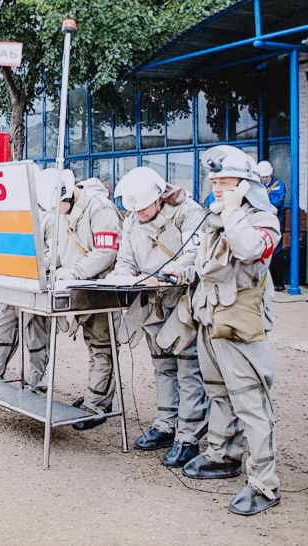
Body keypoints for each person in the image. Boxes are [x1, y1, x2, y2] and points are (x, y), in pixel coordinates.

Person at [164, 145, 281, 516]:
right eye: (214, 181)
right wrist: (184, 271)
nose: (217, 187)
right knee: (217, 392)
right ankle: (222, 454)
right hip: (210, 319)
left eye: (226, 182)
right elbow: (205, 261)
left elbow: (248, 251)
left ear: (245, 185)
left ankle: (264, 484)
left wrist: (232, 210)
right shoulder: (216, 218)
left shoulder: (263, 221)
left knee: (251, 402)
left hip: (240, 324)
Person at [108, 167, 209, 468]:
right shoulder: (131, 220)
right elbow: (125, 258)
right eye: (134, 209)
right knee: (162, 364)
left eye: (143, 207)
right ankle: (166, 423)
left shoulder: (188, 213)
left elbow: (196, 254)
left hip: (184, 298)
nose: (138, 213)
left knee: (189, 366)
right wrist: (122, 277)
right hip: (151, 300)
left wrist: (173, 272)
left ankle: (188, 434)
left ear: (159, 198)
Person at [0, 169, 70, 406]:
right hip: (16, 284)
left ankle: (37, 385)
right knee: (0, 331)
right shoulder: (21, 212)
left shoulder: (53, 218)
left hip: (39, 285)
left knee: (37, 338)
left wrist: (34, 266)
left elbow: (57, 254)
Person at [55, 175, 124, 430]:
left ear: (68, 195)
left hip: (102, 288)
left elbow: (107, 252)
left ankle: (97, 405)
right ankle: (97, 394)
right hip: (84, 286)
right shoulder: (71, 210)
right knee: (92, 344)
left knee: (103, 346)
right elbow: (63, 249)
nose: (55, 211)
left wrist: (75, 271)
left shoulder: (101, 208)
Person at [258, 161, 286, 291]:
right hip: (261, 222)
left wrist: (263, 202)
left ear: (271, 173)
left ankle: (279, 282)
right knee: (260, 253)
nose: (264, 179)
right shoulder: (257, 186)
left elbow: (277, 203)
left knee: (277, 254)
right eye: (262, 177)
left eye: (266, 176)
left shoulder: (279, 186)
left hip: (275, 224)